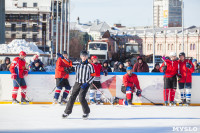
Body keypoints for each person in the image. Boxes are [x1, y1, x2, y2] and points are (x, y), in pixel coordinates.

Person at [62, 51, 95, 120]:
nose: (84, 57)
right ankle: (67, 112)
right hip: (77, 83)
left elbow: (93, 76)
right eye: (83, 56)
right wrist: (63, 58)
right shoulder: (77, 64)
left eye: (85, 56)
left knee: (81, 98)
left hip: (85, 83)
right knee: (72, 97)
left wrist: (87, 83)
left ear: (87, 57)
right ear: (80, 56)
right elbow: (69, 62)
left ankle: (86, 112)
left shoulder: (90, 65)